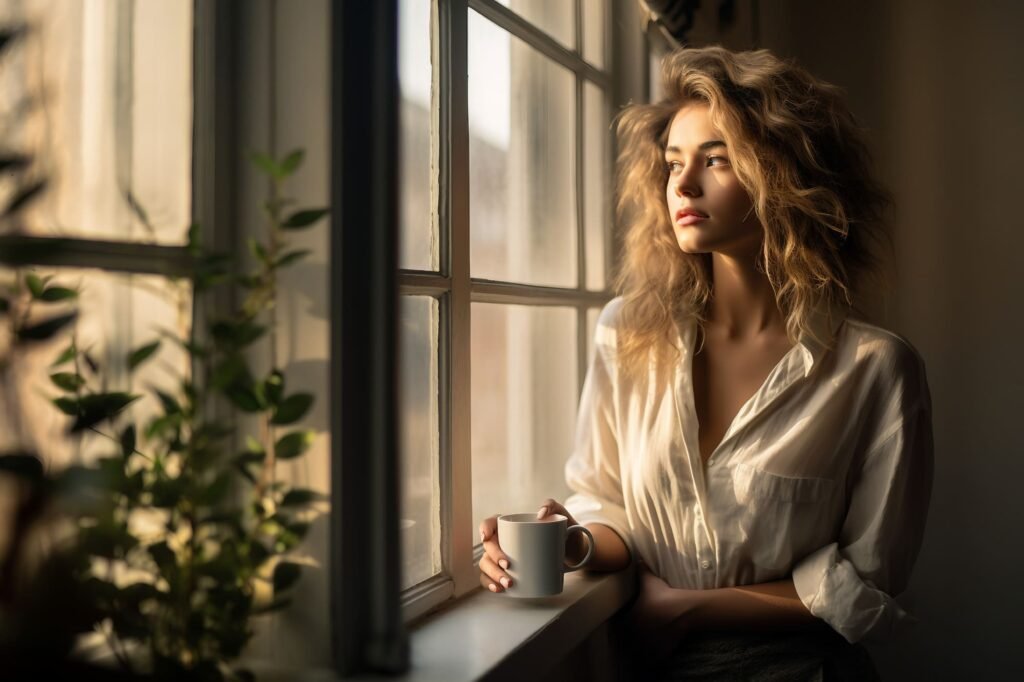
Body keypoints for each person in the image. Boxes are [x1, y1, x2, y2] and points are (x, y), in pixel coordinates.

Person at [478, 45, 933, 681]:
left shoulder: (878, 369)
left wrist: (690, 610)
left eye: (715, 160)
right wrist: (568, 540)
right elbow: (608, 504)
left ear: (783, 173)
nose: (684, 185)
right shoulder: (627, 335)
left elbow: (869, 582)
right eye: (672, 164)